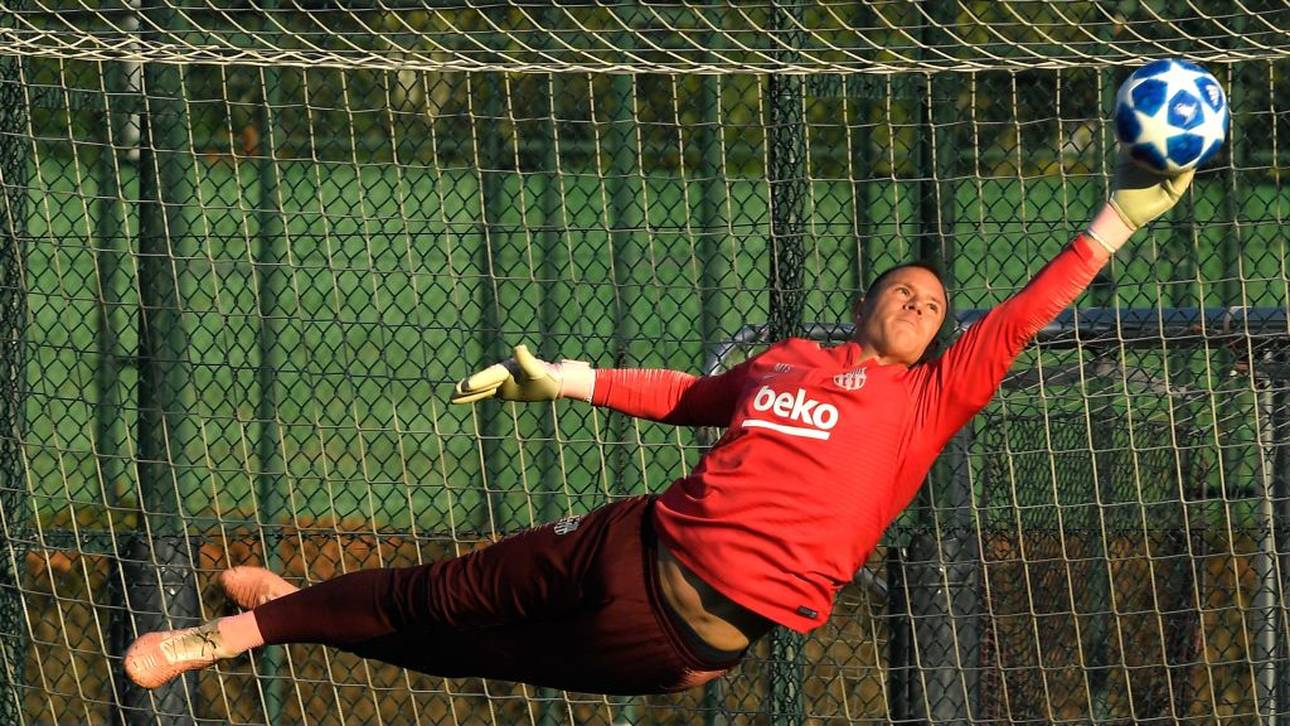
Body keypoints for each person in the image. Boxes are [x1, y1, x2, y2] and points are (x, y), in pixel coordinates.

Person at [124, 158, 1194, 696]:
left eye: (933, 305)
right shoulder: (785, 362)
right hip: (637, 540)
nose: (920, 301)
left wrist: (1115, 220)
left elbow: (1020, 315)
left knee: (474, 655)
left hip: (686, 639)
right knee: (437, 594)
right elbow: (687, 396)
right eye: (904, 288)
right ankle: (230, 633)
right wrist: (568, 381)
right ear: (867, 300)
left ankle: (297, 609)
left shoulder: (928, 400)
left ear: (937, 343)